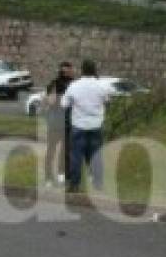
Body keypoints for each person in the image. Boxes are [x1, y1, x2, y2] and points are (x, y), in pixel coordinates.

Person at [61, 59, 118, 193]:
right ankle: (98, 184)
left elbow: (64, 104)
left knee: (76, 156)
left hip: (78, 126)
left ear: (82, 70)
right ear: (94, 70)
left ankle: (74, 185)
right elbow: (108, 101)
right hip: (95, 126)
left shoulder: (74, 86)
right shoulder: (102, 86)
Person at [43, 61, 75, 187]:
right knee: (51, 150)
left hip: (67, 123)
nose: (71, 72)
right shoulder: (54, 84)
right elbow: (50, 101)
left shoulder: (73, 84)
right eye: (69, 70)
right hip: (55, 123)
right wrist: (56, 96)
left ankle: (62, 174)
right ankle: (48, 177)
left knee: (65, 150)